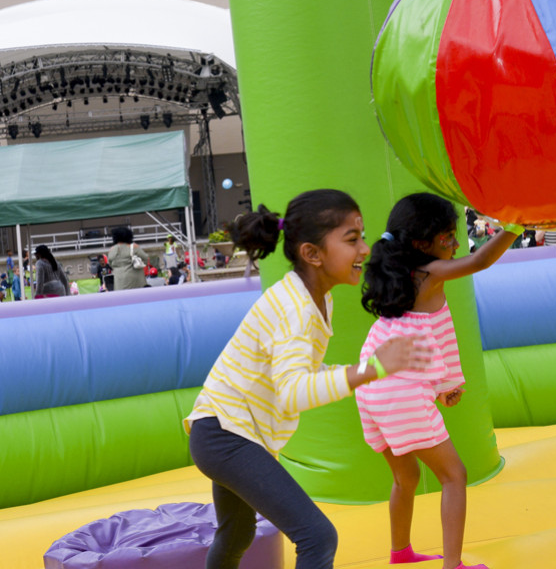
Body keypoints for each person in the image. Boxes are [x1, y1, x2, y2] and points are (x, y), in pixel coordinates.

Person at [184, 189, 430, 569]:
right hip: (226, 434)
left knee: (237, 533)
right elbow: (294, 393)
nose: (365, 249)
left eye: (362, 237)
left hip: (226, 430)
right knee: (317, 536)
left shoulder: (315, 299)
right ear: (312, 254)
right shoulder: (297, 310)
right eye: (352, 240)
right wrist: (369, 370)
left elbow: (305, 376)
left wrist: (369, 372)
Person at [359, 192, 521, 569]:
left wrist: (446, 385)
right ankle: (453, 565)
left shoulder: (398, 278)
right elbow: (480, 259)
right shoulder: (430, 273)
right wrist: (516, 224)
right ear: (420, 243)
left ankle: (401, 552)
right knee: (454, 475)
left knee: (406, 477)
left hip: (372, 387)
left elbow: (429, 335)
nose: (456, 242)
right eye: (448, 236)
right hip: (399, 390)